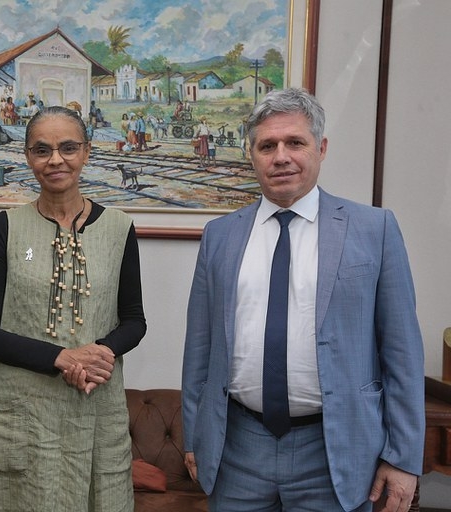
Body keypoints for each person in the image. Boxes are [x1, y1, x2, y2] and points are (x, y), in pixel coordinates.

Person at [181, 88, 424, 512]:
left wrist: (403, 457)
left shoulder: (374, 229)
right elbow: (199, 351)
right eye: (267, 145)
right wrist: (194, 436)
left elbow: (402, 351)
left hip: (337, 450)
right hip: (238, 448)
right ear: (251, 154)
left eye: (295, 142)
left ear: (321, 148)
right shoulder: (219, 236)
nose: (281, 156)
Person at [0, 106, 146, 511]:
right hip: (25, 412)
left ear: (86, 152)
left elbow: (134, 321)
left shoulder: (119, 228)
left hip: (95, 402)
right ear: (28, 157)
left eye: (68, 148)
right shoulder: (6, 227)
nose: (55, 160)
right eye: (42, 150)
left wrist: (100, 353)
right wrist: (63, 358)